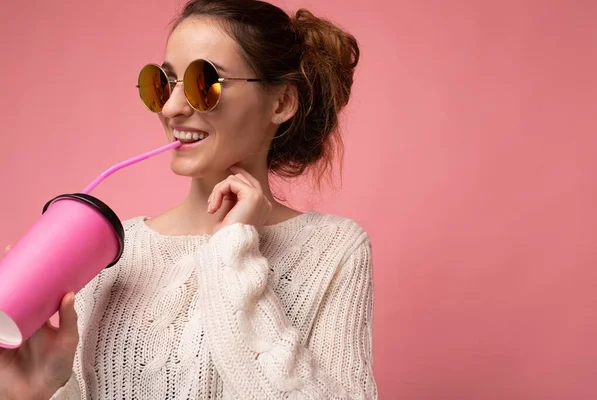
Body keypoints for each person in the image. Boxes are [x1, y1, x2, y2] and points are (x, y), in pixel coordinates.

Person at [0, 0, 377, 398]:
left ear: (281, 103)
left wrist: (232, 252)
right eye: (162, 83)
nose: (172, 107)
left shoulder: (333, 250)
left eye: (206, 82)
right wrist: (35, 393)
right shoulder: (110, 252)